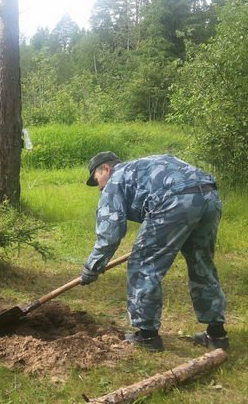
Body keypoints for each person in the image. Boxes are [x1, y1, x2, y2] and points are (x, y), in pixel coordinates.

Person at [80, 151, 229, 352]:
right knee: (202, 262)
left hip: (174, 199)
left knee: (143, 264)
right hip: (209, 195)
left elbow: (110, 233)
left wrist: (92, 266)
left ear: (105, 169)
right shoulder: (143, 167)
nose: (99, 187)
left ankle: (147, 337)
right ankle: (217, 335)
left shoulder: (115, 179)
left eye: (97, 180)